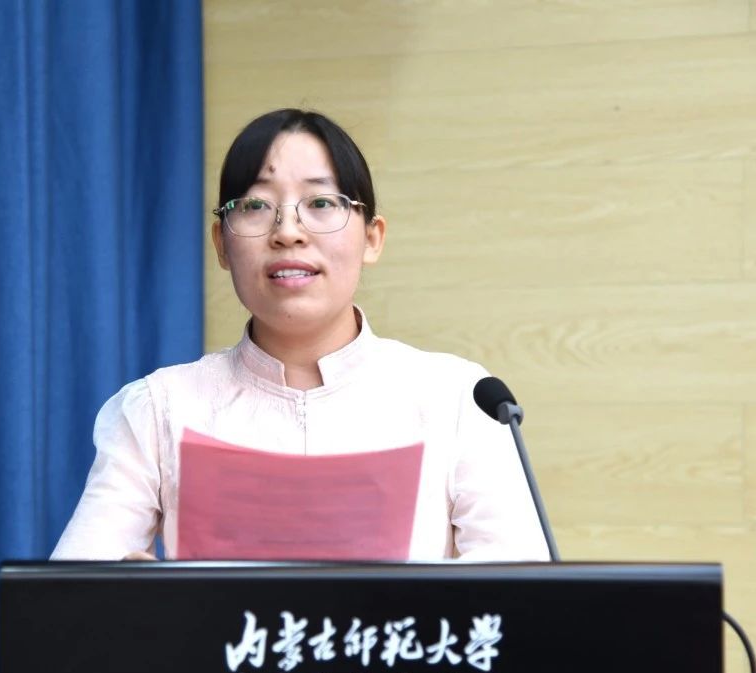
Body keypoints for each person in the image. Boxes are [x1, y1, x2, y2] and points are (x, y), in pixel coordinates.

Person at [51, 108, 548, 563]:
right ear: (221, 243)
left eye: (321, 202)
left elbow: (520, 599)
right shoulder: (159, 408)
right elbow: (70, 598)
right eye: (255, 205)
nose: (287, 231)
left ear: (372, 237)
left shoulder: (459, 400)